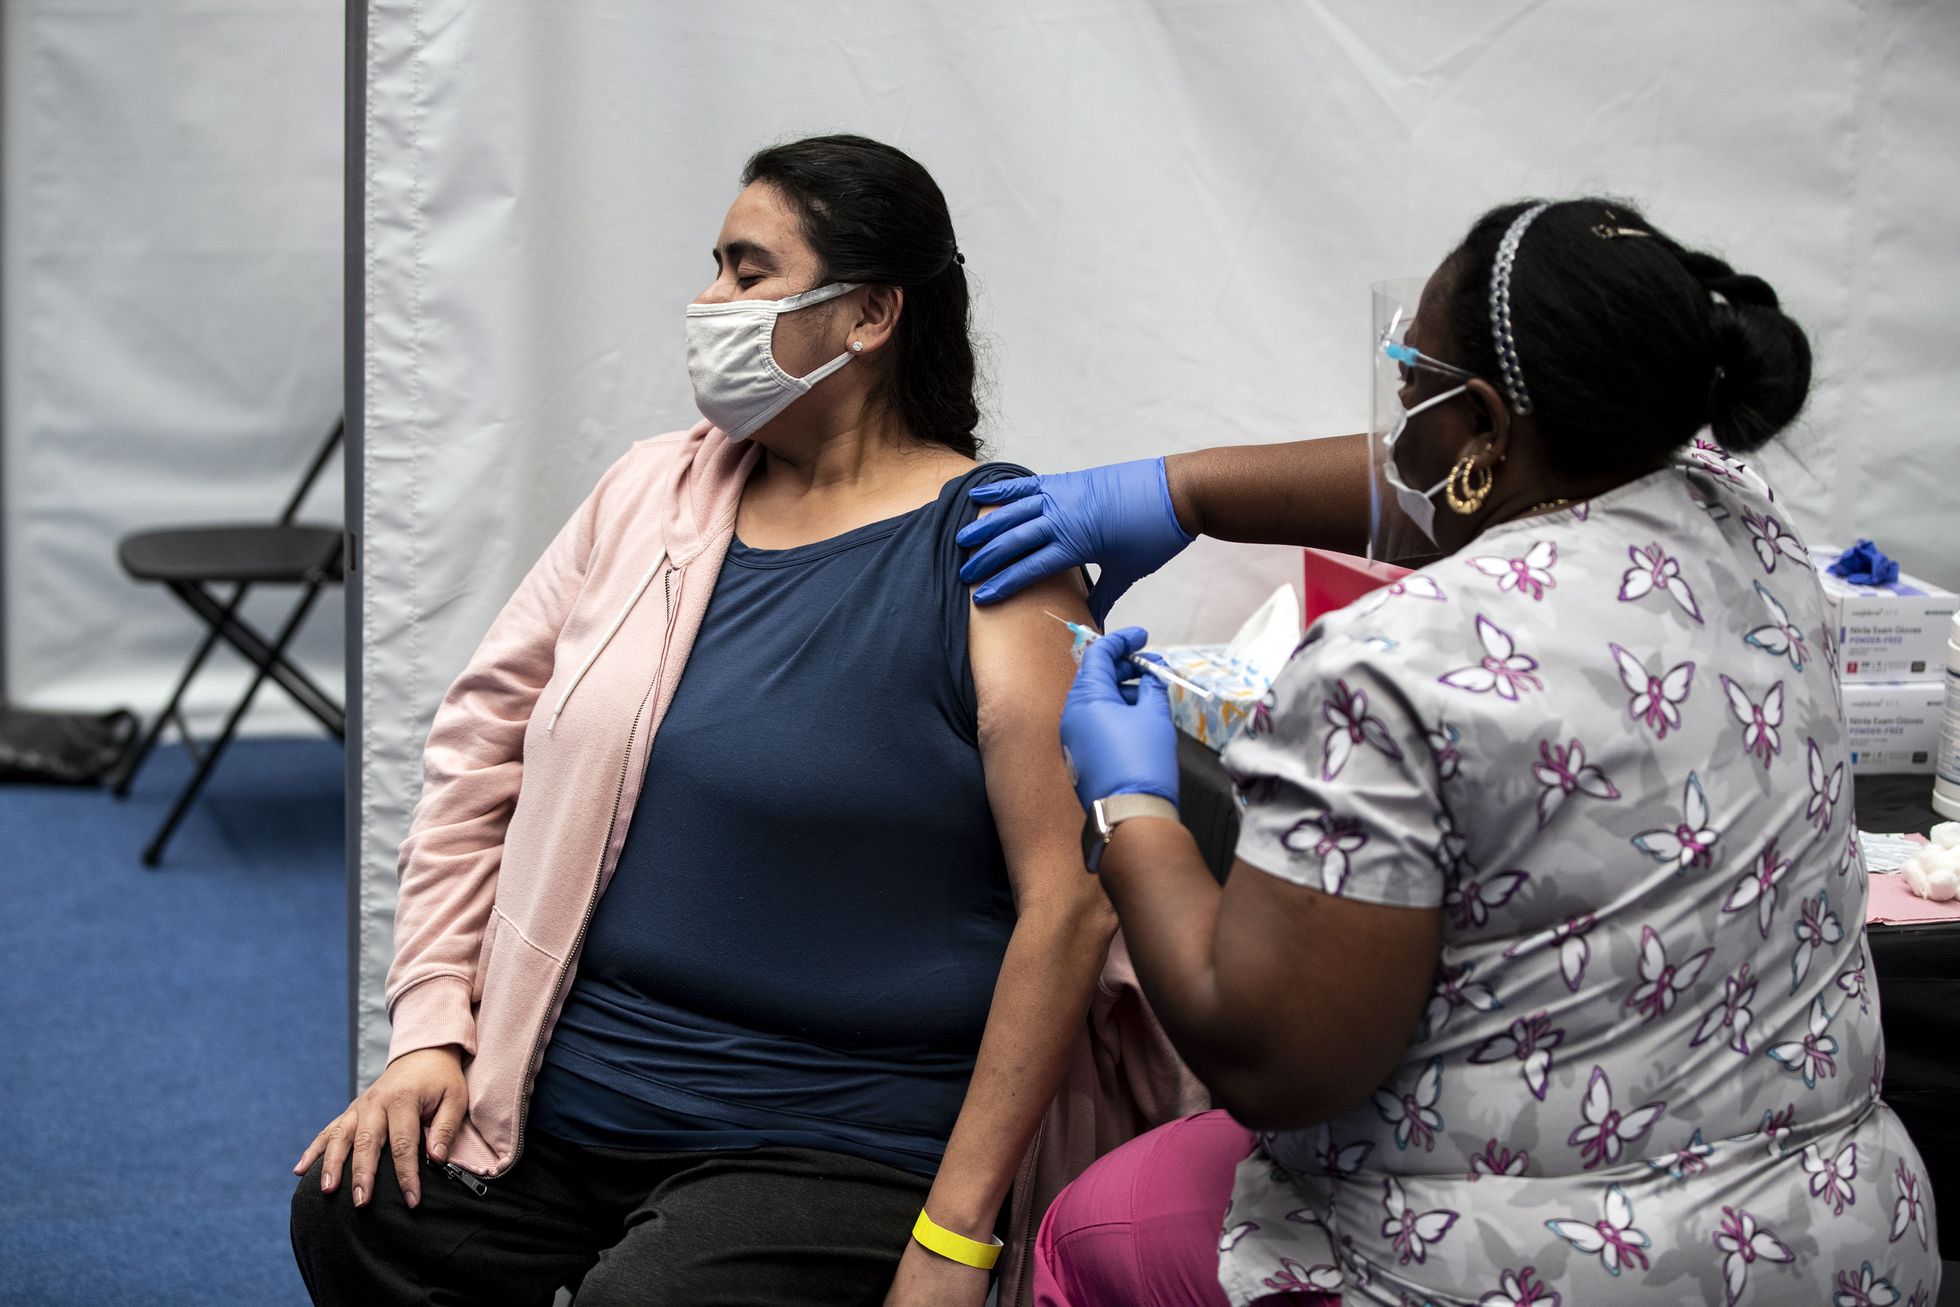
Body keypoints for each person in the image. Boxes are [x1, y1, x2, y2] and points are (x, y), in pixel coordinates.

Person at [958, 198, 1941, 1304]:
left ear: (1480, 422)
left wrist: (1130, 804)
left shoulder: (1391, 664)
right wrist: (1180, 490)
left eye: (1405, 376)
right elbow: (1432, 485)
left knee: (1096, 1224)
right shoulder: (1740, 517)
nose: (1394, 412)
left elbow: (1268, 1060)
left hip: (1528, 1273)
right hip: (1842, 1235)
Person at [290, 135, 1118, 1307]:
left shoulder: (989, 546)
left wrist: (957, 1234)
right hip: (570, 1093)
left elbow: (1067, 905)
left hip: (833, 1129)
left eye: (746, 270)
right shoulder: (651, 492)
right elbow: (479, 750)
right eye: (714, 268)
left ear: (870, 313)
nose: (708, 302)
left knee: (653, 1299)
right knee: (360, 1212)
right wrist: (434, 1030)